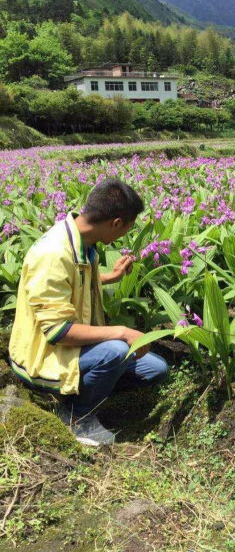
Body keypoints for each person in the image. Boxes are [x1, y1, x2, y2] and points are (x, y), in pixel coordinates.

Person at [9, 178, 168, 447]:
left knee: (155, 369)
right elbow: (58, 331)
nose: (123, 236)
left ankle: (81, 393)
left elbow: (72, 282)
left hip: (72, 349)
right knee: (116, 349)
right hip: (42, 355)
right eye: (126, 229)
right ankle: (76, 417)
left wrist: (110, 277)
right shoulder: (52, 254)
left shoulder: (83, 241)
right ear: (116, 223)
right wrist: (121, 331)